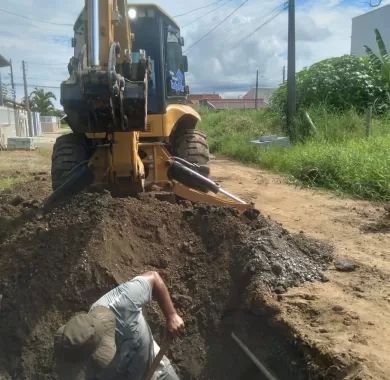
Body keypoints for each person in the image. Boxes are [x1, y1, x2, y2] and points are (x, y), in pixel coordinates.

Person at [54, 271, 184, 380]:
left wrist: (171, 315)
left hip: (157, 371)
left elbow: (154, 278)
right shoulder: (74, 351)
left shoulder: (121, 303)